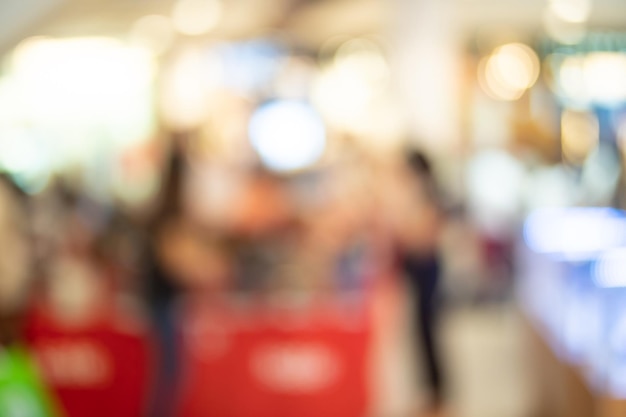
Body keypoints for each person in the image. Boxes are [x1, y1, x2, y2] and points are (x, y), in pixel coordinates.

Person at [394, 150, 446, 415]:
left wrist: (404, 234)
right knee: (421, 332)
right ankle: (430, 391)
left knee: (428, 331)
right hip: (420, 267)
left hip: (426, 267)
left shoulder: (427, 194)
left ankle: (437, 393)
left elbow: (425, 235)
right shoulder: (419, 193)